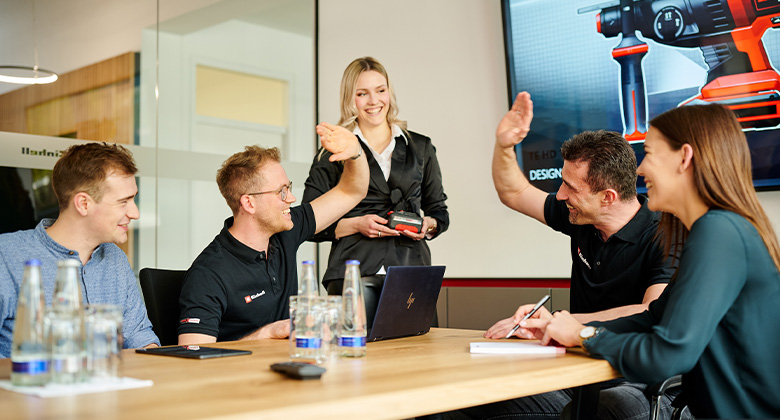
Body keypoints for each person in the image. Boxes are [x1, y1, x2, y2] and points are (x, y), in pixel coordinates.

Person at [518, 103, 780, 419]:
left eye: (650, 154)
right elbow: (655, 316)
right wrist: (562, 326)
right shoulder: (710, 230)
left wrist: (584, 336)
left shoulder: (719, 231)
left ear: (685, 158)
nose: (640, 170)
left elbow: (668, 354)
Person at [447, 92, 677, 420]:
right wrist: (504, 146)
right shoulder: (580, 216)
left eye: (571, 187)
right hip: (577, 369)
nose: (560, 194)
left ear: (608, 197)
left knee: (600, 411)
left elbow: (650, 310)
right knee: (468, 400)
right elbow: (513, 192)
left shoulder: (667, 233)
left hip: (636, 378)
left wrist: (563, 323)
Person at [177, 133, 369, 345]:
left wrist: (356, 154)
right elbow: (192, 352)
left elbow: (352, 191)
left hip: (294, 368)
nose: (292, 199)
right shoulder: (208, 274)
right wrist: (268, 333)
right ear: (249, 203)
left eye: (289, 188)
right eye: (282, 192)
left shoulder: (286, 229)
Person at [302, 57, 449, 328]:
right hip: (351, 273)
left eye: (380, 90)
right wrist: (357, 224)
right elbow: (308, 223)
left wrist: (426, 225)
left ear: (389, 93)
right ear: (350, 99)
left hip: (411, 271)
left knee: (419, 358)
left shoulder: (421, 147)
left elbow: (439, 211)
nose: (374, 100)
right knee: (354, 362)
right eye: (362, 93)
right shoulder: (333, 151)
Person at [0, 142, 160, 358]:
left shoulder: (115, 259)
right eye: (124, 201)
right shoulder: (6, 255)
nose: (135, 213)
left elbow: (141, 340)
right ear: (83, 204)